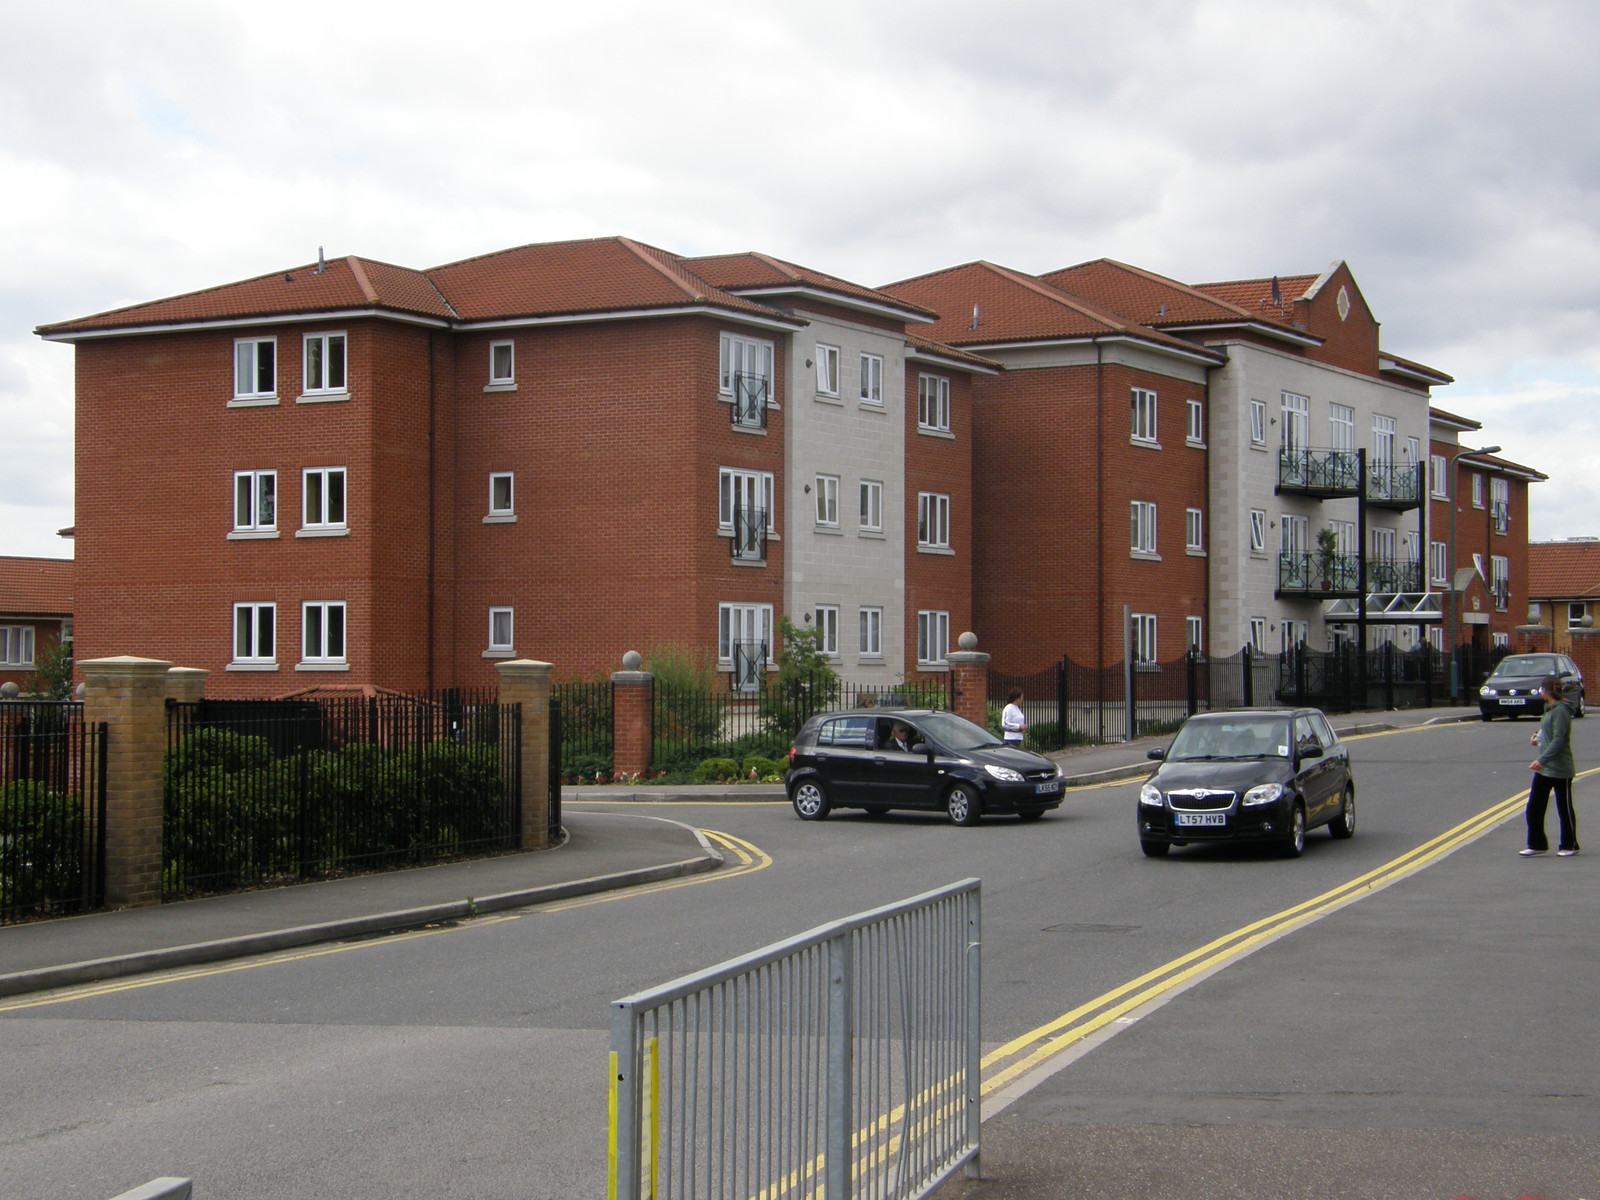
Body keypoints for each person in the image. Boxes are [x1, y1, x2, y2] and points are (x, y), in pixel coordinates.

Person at [1523, 674, 1580, 857]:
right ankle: (1537, 844)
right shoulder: (1550, 709)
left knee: (1564, 808)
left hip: (1560, 768)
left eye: (1541, 689)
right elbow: (1547, 730)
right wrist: (1537, 738)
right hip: (1546, 769)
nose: (1540, 692)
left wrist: (1541, 760)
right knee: (1534, 807)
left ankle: (1570, 845)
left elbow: (1558, 739)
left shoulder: (1561, 711)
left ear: (1546, 691)